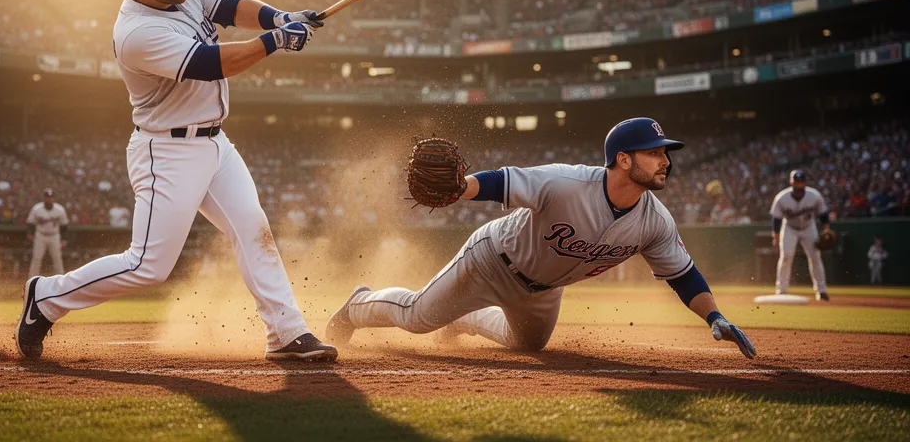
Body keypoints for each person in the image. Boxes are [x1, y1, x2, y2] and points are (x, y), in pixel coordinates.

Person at [16, 0, 336, 361]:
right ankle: (46, 297)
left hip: (215, 144)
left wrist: (278, 17)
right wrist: (276, 40)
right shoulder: (136, 33)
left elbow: (229, 5)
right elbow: (210, 64)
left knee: (253, 230)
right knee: (147, 267)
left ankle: (286, 332)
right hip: (166, 152)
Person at [326, 118, 756, 358]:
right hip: (492, 260)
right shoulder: (568, 182)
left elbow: (683, 275)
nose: (665, 161)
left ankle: (463, 319)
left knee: (526, 345)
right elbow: (504, 182)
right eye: (655, 152)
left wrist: (715, 317)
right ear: (623, 160)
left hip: (544, 290)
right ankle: (358, 305)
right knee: (418, 317)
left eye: (665, 153)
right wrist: (462, 189)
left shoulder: (654, 221)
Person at [770, 170, 831, 301]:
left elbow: (823, 214)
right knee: (786, 256)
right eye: (796, 182)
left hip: (809, 227)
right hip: (790, 227)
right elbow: (776, 219)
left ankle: (821, 290)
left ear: (805, 183)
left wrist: (826, 229)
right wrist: (775, 235)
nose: (798, 185)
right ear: (791, 182)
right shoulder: (782, 197)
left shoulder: (814, 195)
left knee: (815, 256)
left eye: (801, 182)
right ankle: (781, 290)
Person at [26, 188, 69, 278]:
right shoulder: (37, 208)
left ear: (54, 198)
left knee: (57, 259)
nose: (49, 199)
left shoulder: (60, 209)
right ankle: (31, 279)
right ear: (44, 198)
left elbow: (64, 225)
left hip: (54, 236)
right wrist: (30, 233)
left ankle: (61, 280)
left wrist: (64, 239)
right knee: (37, 258)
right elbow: (30, 222)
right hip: (40, 235)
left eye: (51, 197)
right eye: (47, 197)